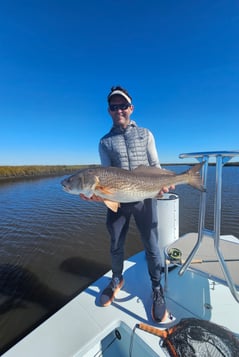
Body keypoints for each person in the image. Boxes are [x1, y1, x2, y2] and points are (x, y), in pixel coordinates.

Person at [81, 86, 173, 323]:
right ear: (109, 111)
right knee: (115, 243)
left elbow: (155, 163)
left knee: (152, 246)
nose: (119, 109)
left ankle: (156, 288)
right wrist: (97, 195)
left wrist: (163, 184)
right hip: (118, 202)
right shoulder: (105, 142)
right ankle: (116, 279)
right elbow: (104, 175)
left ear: (131, 108)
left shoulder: (146, 134)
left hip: (145, 197)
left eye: (123, 105)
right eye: (114, 106)